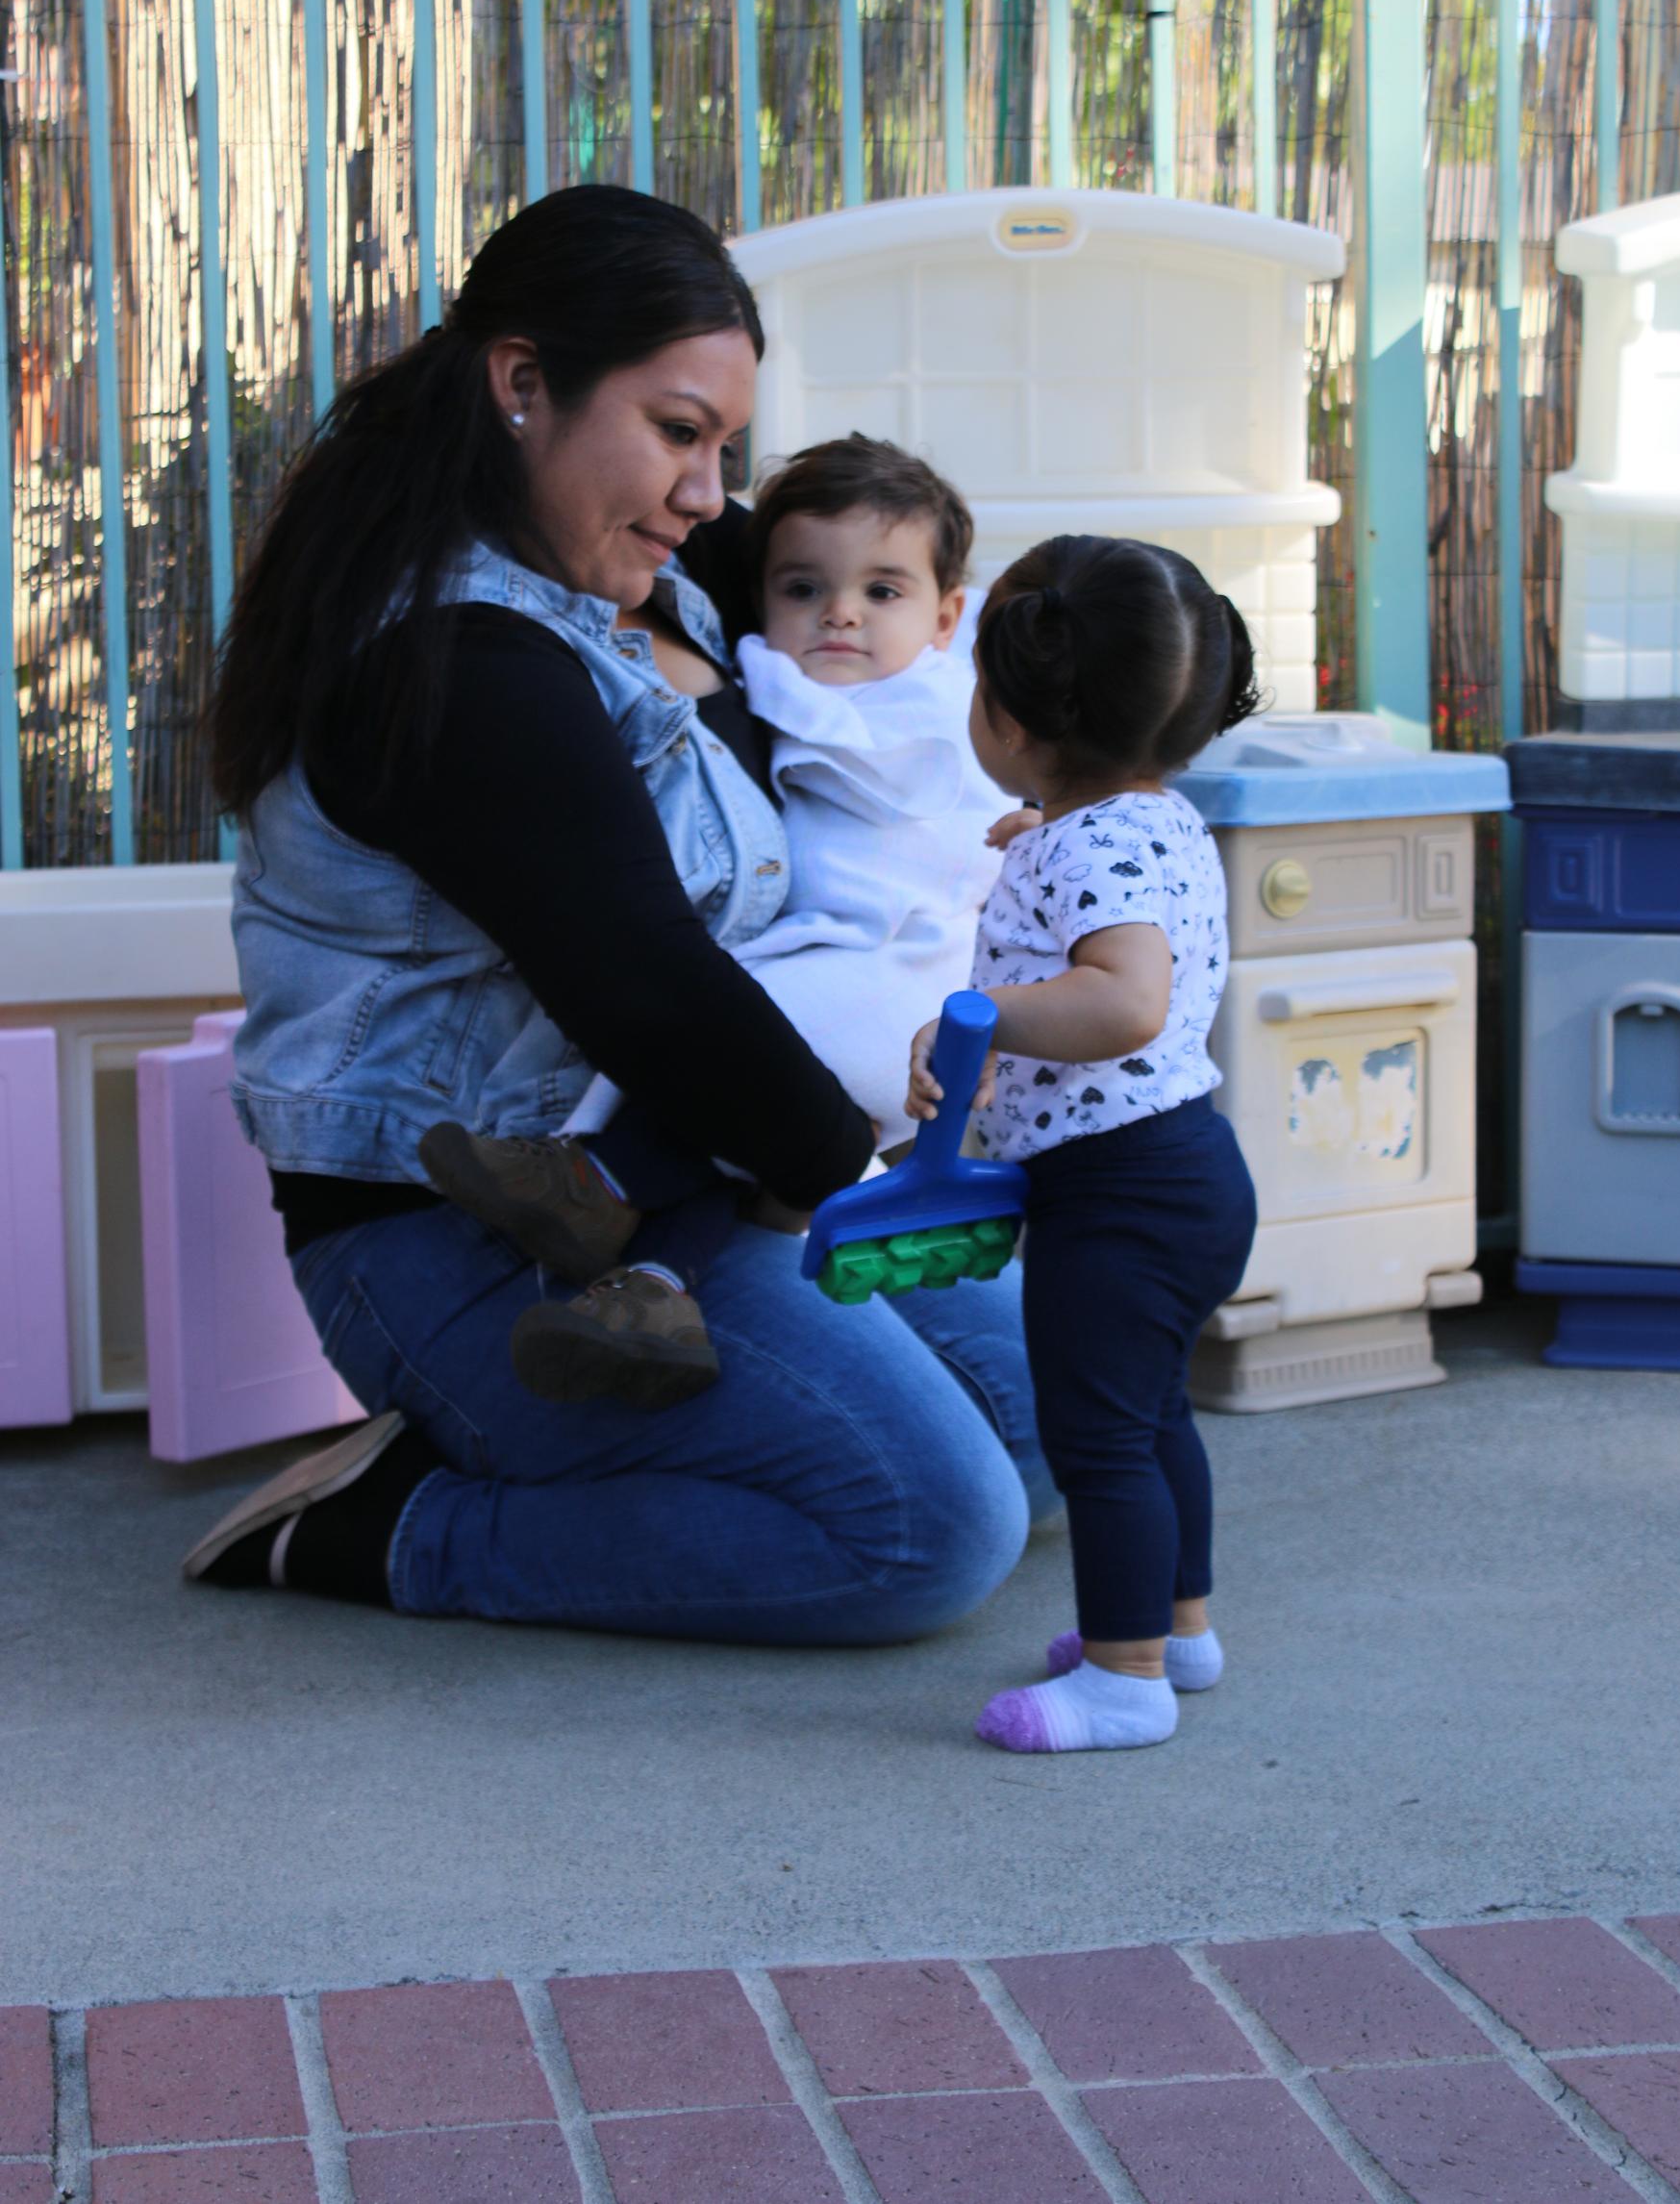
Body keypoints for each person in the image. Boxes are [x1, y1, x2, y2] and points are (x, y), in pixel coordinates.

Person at [181, 184, 1051, 1639]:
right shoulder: (455, 660)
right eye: (677, 432)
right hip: (465, 1229)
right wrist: (869, 1177)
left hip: (682, 1185)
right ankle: (398, 1522)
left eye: (724, 446)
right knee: (932, 1536)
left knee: (1048, 1424)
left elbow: (872, 555)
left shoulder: (661, 569)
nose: (711, 494)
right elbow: (646, 984)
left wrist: (1102, 766)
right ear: (523, 385)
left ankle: (526, 1446)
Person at [420, 435, 1007, 1410]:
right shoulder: (916, 683)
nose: (840, 616)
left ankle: (597, 1178)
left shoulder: (890, 704)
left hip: (887, 979)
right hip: (865, 996)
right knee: (718, 1138)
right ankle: (651, 1289)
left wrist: (754, 655)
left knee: (717, 1040)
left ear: (946, 616)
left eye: (883, 593)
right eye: (803, 589)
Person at [906, 535, 1260, 1751]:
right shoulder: (1137, 821)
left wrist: (981, 1016)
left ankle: (1123, 1681)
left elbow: (1125, 1002)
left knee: (1099, 1435)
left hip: (1120, 1196)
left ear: (1011, 718)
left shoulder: (1089, 844)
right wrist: (1043, 844)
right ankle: (1179, 1631)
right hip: (1180, 1176)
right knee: (1155, 1415)